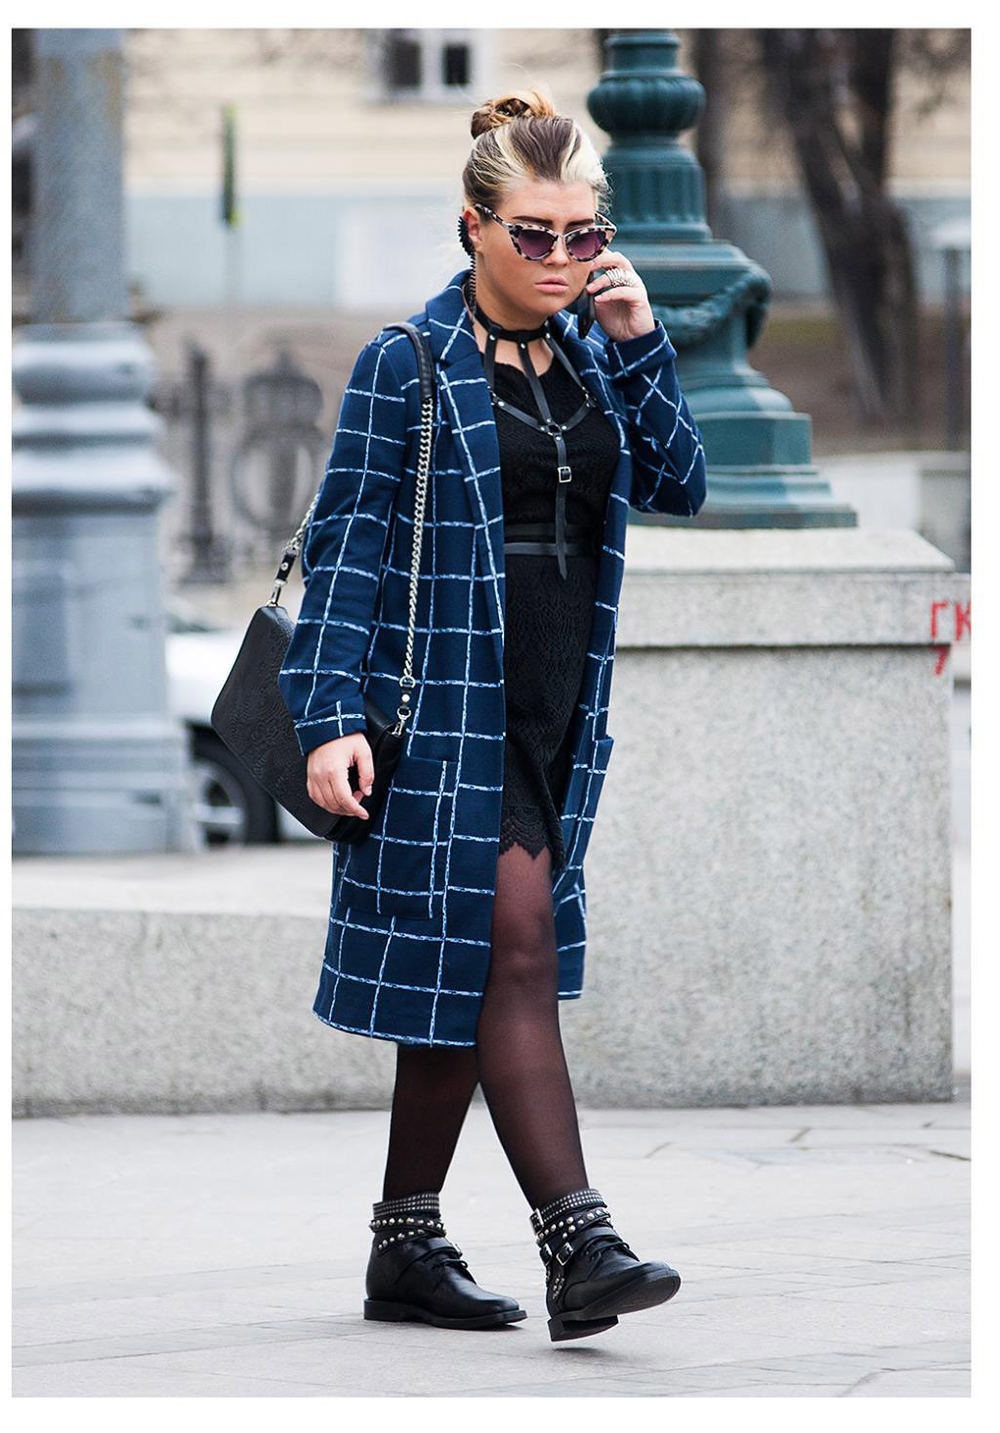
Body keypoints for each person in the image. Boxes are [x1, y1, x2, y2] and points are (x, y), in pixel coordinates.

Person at [279, 87, 706, 1343]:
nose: (564, 258)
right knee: (511, 946)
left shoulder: (587, 347)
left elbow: (678, 482)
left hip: (556, 707)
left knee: (467, 970)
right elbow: (344, 546)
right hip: (445, 709)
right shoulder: (405, 362)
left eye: (583, 233)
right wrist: (326, 716)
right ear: (470, 226)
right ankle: (580, 1238)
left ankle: (402, 1244)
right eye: (535, 233)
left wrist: (636, 337)